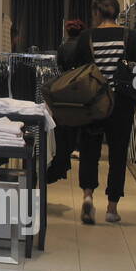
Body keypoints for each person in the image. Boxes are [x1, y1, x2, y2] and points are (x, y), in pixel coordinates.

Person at [71, 0, 136, 224]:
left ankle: (88, 196)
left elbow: (78, 71)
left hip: (93, 102)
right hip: (121, 104)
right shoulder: (130, 36)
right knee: (118, 154)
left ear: (98, 13)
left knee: (89, 150)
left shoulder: (86, 37)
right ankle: (112, 207)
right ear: (117, 13)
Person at [46, 18, 86, 184]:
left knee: (65, 121)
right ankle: (76, 147)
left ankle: (67, 148)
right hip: (81, 87)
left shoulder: (62, 47)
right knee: (79, 120)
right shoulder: (83, 47)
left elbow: (59, 67)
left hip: (64, 87)